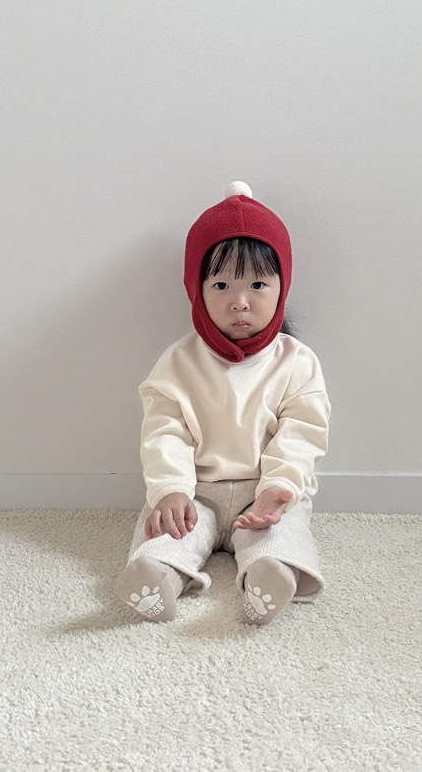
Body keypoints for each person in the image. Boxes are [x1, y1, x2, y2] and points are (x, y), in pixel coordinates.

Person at [115, 181, 331, 625]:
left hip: (264, 490)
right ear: (197, 290)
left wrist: (279, 487)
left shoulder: (296, 362)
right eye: (221, 284)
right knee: (166, 527)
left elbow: (303, 431)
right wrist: (170, 488)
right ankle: (157, 576)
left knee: (282, 530)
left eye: (258, 284)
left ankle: (270, 575)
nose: (240, 302)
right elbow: (165, 429)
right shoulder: (179, 361)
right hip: (198, 491)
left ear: (282, 287)